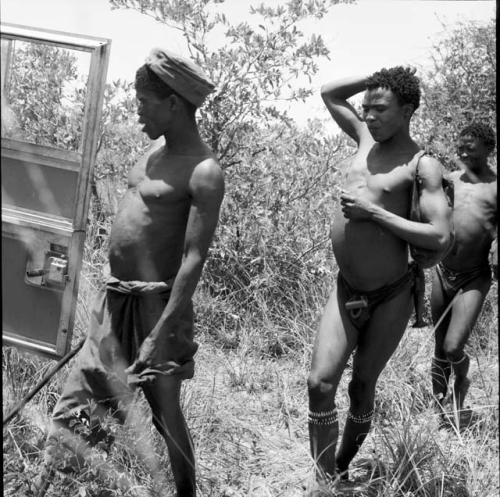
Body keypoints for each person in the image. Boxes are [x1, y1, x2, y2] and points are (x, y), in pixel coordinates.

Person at [36, 48, 224, 497]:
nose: (136, 112)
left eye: (143, 103)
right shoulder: (150, 154)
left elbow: (194, 258)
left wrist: (160, 331)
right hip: (114, 300)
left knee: (164, 412)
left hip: (157, 307)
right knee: (82, 391)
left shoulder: (204, 171)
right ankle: (47, 481)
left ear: (173, 103)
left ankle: (186, 492)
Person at [306, 66, 452, 491]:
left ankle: (344, 461)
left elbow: (439, 234)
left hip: (391, 295)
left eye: (381, 109)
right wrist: (376, 76)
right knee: (319, 383)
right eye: (366, 108)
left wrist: (374, 213)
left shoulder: (423, 165)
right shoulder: (364, 138)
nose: (369, 116)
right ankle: (325, 480)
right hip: (345, 286)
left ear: (407, 110)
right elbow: (330, 92)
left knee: (361, 385)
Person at [430, 122, 497, 417]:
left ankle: (463, 380)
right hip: (443, 270)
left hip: (474, 276)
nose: (463, 151)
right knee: (438, 346)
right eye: (461, 145)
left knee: (454, 346)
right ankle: (439, 408)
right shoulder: (449, 181)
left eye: (471, 146)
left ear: (489, 149)